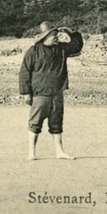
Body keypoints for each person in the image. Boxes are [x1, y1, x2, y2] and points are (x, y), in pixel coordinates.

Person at [19, 22, 84, 160]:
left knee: (57, 123)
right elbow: (24, 72)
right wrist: (26, 93)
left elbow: (77, 45)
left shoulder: (61, 49)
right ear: (45, 36)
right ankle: (31, 153)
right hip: (40, 93)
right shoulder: (33, 51)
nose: (56, 37)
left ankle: (59, 152)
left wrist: (69, 31)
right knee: (35, 123)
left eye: (56, 35)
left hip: (57, 93)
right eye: (54, 35)